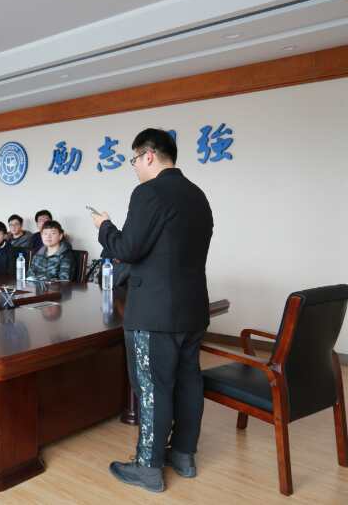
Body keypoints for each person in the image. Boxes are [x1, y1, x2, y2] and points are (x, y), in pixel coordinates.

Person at [90, 128, 213, 493]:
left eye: (134, 160)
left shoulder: (149, 192)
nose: (134, 167)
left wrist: (104, 226)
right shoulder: (197, 194)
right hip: (193, 308)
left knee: (152, 388)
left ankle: (148, 467)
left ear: (148, 155)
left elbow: (128, 248)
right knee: (188, 381)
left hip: (155, 312)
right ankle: (184, 456)